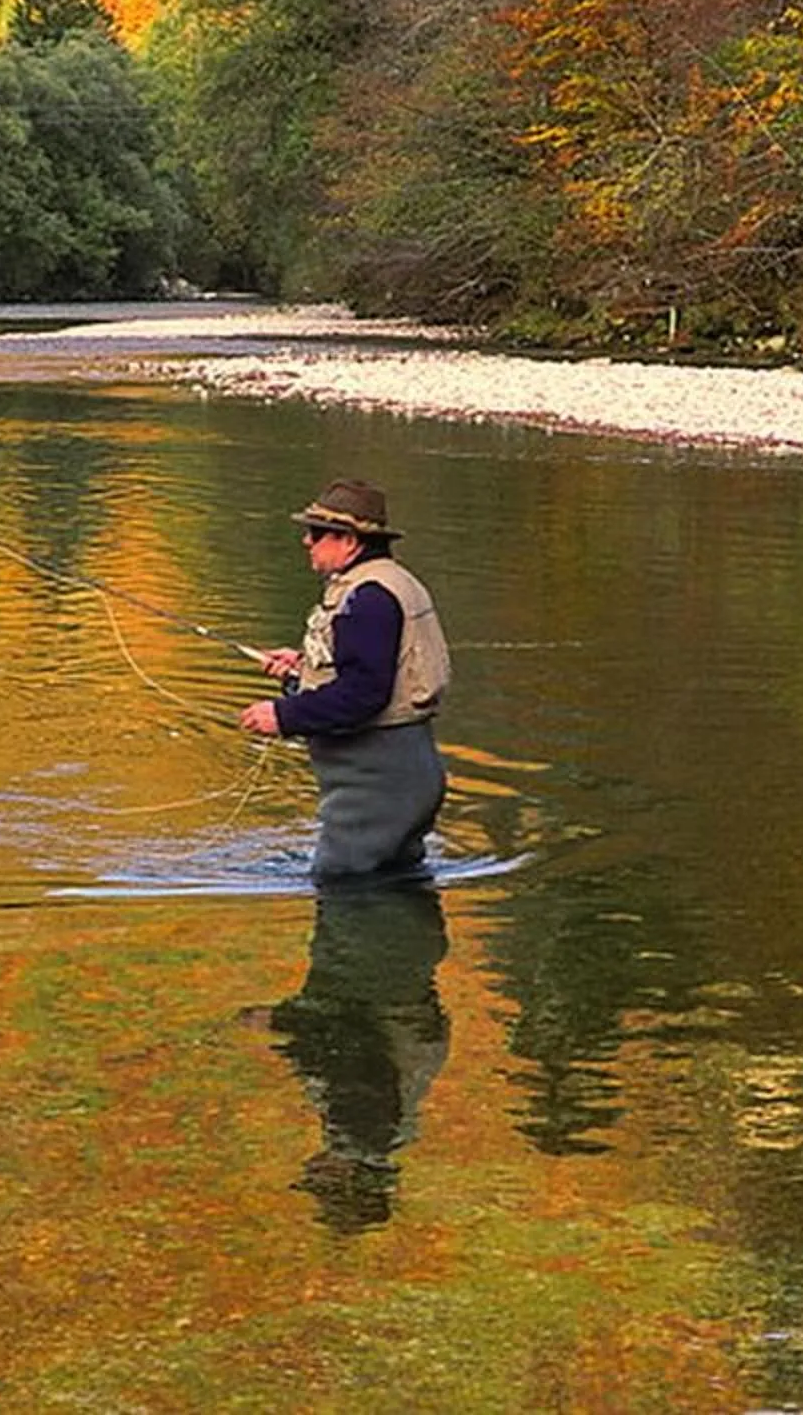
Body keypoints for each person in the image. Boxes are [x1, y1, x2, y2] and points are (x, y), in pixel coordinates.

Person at [238, 479, 451, 880]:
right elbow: (373, 670)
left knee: (342, 891)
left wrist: (282, 715)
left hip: (377, 784)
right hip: (404, 776)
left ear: (350, 542)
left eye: (316, 534)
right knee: (391, 890)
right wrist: (303, 669)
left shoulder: (367, 598)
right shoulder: (389, 582)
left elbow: (364, 693)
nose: (306, 541)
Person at [269, 880, 450, 1231]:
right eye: (319, 1184)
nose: (310, 1169)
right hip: (374, 967)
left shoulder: (380, 1129)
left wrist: (285, 1026)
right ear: (347, 1179)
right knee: (350, 876)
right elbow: (352, 1051)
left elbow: (349, 1052)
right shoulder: (362, 1126)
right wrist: (282, 1023)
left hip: (398, 959)